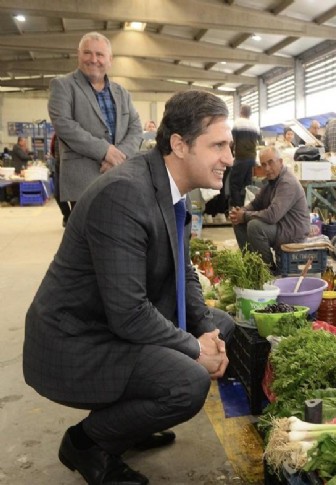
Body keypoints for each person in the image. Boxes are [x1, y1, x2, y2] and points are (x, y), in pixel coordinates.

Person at [24, 90, 236, 485]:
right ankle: (86, 443)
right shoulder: (124, 193)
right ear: (179, 144)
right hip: (75, 341)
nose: (230, 157)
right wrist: (194, 348)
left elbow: (184, 270)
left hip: (110, 323)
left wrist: (206, 330)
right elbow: (129, 313)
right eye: (218, 145)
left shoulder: (172, 189)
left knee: (222, 325)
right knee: (186, 383)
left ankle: (128, 425)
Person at [48, 31, 142, 208]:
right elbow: (64, 125)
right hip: (83, 180)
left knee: (119, 232)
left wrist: (119, 156)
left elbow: (135, 127)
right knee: (87, 233)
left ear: (109, 59)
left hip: (120, 176)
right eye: (87, 53)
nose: (93, 59)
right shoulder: (63, 85)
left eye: (100, 54)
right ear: (79, 54)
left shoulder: (121, 92)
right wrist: (105, 151)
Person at [230, 146, 310, 270]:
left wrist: (244, 216)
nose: (267, 168)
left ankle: (267, 270)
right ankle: (252, 266)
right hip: (281, 226)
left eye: (270, 163)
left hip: (292, 230)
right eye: (263, 164)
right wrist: (241, 212)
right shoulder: (270, 182)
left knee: (255, 226)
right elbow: (256, 203)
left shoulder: (287, 183)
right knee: (238, 222)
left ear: (280, 162)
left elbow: (272, 216)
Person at [229, 104, 261, 208]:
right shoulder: (255, 125)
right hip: (252, 158)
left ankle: (237, 209)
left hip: (241, 158)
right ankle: (246, 209)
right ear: (250, 113)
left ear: (241, 112)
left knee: (234, 184)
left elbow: (232, 142)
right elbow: (260, 141)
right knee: (247, 186)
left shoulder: (237, 123)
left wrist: (230, 155)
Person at [50, 134, 72, 227]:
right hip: (58, 166)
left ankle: (73, 221)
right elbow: (52, 151)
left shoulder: (68, 134)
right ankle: (67, 215)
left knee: (73, 197)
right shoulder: (55, 136)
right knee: (57, 194)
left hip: (71, 167)